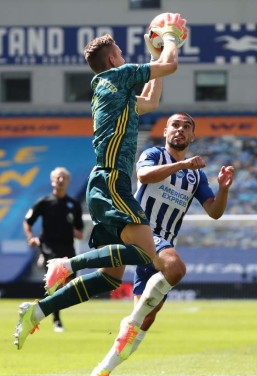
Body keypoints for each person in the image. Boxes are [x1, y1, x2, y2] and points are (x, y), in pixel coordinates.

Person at [13, 13, 189, 352]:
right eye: (121, 52)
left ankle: (37, 310)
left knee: (111, 276)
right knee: (144, 252)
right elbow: (171, 65)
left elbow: (151, 102)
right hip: (113, 181)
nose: (124, 55)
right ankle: (68, 264)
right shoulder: (119, 75)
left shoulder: (107, 90)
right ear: (112, 60)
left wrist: (153, 57)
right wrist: (169, 36)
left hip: (104, 180)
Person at [89, 112, 235, 376]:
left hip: (164, 242)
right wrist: (181, 164)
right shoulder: (154, 154)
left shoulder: (196, 174)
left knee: (146, 320)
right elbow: (143, 175)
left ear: (192, 136)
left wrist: (224, 190)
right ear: (166, 131)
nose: (180, 130)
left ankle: (102, 371)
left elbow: (214, 212)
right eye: (175, 125)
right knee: (176, 269)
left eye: (186, 127)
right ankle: (129, 320)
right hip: (143, 234)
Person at [23, 166, 84, 332]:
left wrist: (74, 231)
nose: (61, 180)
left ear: (69, 181)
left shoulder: (73, 205)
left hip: (67, 249)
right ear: (52, 181)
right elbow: (28, 221)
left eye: (64, 177)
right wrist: (31, 238)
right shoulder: (44, 202)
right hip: (49, 248)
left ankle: (43, 308)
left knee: (69, 282)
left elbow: (80, 231)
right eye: (58, 177)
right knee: (56, 284)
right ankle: (56, 320)